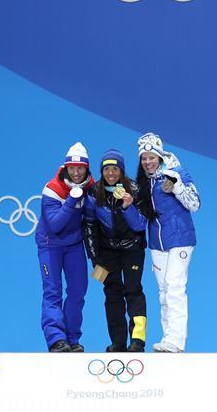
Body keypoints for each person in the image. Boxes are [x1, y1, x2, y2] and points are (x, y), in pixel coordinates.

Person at [135, 133, 200, 353]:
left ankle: (176, 340)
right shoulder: (144, 182)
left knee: (175, 287)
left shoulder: (177, 173)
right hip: (157, 243)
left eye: (151, 157)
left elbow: (195, 204)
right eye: (144, 158)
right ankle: (168, 339)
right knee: (163, 291)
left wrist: (177, 188)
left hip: (180, 239)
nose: (148, 162)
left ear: (160, 156)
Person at [83, 149, 148, 353]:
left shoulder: (135, 190)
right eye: (106, 169)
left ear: (121, 170)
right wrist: (94, 258)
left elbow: (140, 226)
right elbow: (89, 226)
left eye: (115, 169)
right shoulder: (94, 192)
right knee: (111, 294)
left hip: (132, 249)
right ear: (101, 171)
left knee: (133, 290)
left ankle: (137, 340)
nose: (110, 173)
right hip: (106, 252)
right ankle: (118, 342)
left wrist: (128, 206)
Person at [34, 143, 94, 352]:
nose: (76, 173)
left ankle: (72, 338)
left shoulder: (91, 187)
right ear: (66, 168)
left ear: (86, 169)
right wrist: (71, 199)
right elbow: (55, 225)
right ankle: (56, 339)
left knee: (78, 291)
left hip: (74, 245)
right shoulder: (52, 189)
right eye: (72, 168)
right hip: (50, 245)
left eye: (80, 168)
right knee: (53, 292)